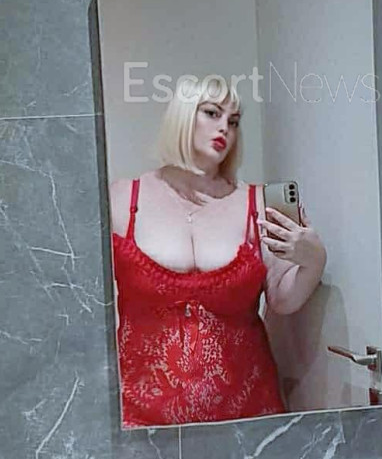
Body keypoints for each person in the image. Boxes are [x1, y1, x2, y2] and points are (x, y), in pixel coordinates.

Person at [110, 74, 326, 427]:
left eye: (234, 121)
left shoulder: (256, 203)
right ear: (182, 116)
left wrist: (314, 260)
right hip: (141, 420)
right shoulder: (122, 199)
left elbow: (283, 300)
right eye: (212, 113)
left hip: (248, 417)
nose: (225, 127)